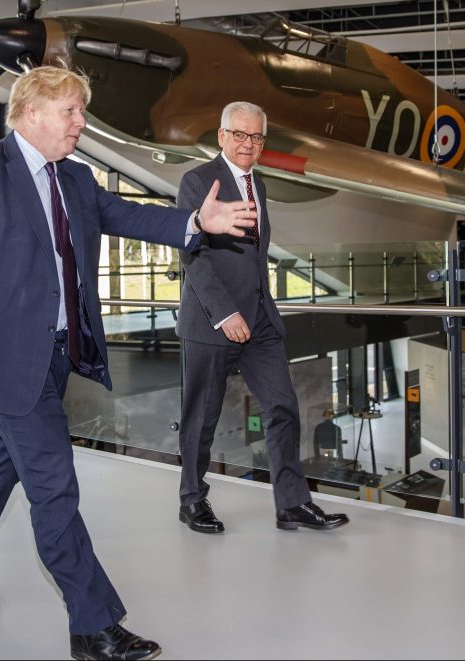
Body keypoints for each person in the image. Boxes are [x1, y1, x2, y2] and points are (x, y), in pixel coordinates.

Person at [0, 66, 256, 661]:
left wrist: (197, 222)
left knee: (2, 463)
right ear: (31, 111)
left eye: (81, 111)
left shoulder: (75, 177)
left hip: (56, 355)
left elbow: (128, 216)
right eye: (70, 110)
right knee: (54, 487)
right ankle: (93, 626)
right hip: (1, 359)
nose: (80, 122)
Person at [175, 101, 349, 535]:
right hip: (212, 320)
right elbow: (193, 257)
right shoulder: (197, 182)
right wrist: (225, 313)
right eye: (239, 135)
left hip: (260, 320)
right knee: (202, 416)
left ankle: (291, 504)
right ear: (222, 136)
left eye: (255, 137)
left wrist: (254, 308)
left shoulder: (260, 186)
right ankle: (192, 501)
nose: (247, 144)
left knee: (284, 406)